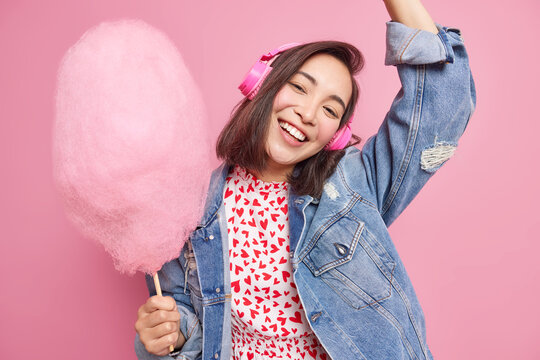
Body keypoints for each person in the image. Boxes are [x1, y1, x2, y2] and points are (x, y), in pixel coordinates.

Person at [134, 0, 476, 358]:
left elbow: (443, 106)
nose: (308, 113)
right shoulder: (189, 209)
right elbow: (190, 325)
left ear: (336, 135)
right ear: (261, 85)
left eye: (330, 109)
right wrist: (163, 337)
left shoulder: (354, 186)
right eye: (299, 88)